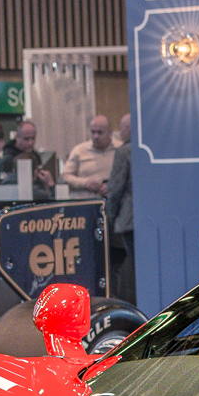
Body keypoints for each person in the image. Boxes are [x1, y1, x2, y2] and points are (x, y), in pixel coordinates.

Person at [103, 112, 135, 301]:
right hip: (148, 218)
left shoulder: (123, 152)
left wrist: (109, 216)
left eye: (121, 128)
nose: (119, 132)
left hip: (128, 219)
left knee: (128, 266)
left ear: (128, 129)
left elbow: (115, 189)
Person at [0, 119, 58, 200]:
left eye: (33, 138)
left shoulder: (36, 156)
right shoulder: (7, 160)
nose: (30, 143)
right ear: (17, 137)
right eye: (26, 139)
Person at [61, 113, 118, 198]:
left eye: (100, 132)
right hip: (85, 200)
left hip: (114, 199)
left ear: (110, 132)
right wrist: (85, 183)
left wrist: (113, 185)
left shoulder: (120, 149)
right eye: (93, 132)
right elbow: (65, 176)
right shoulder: (79, 150)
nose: (96, 136)